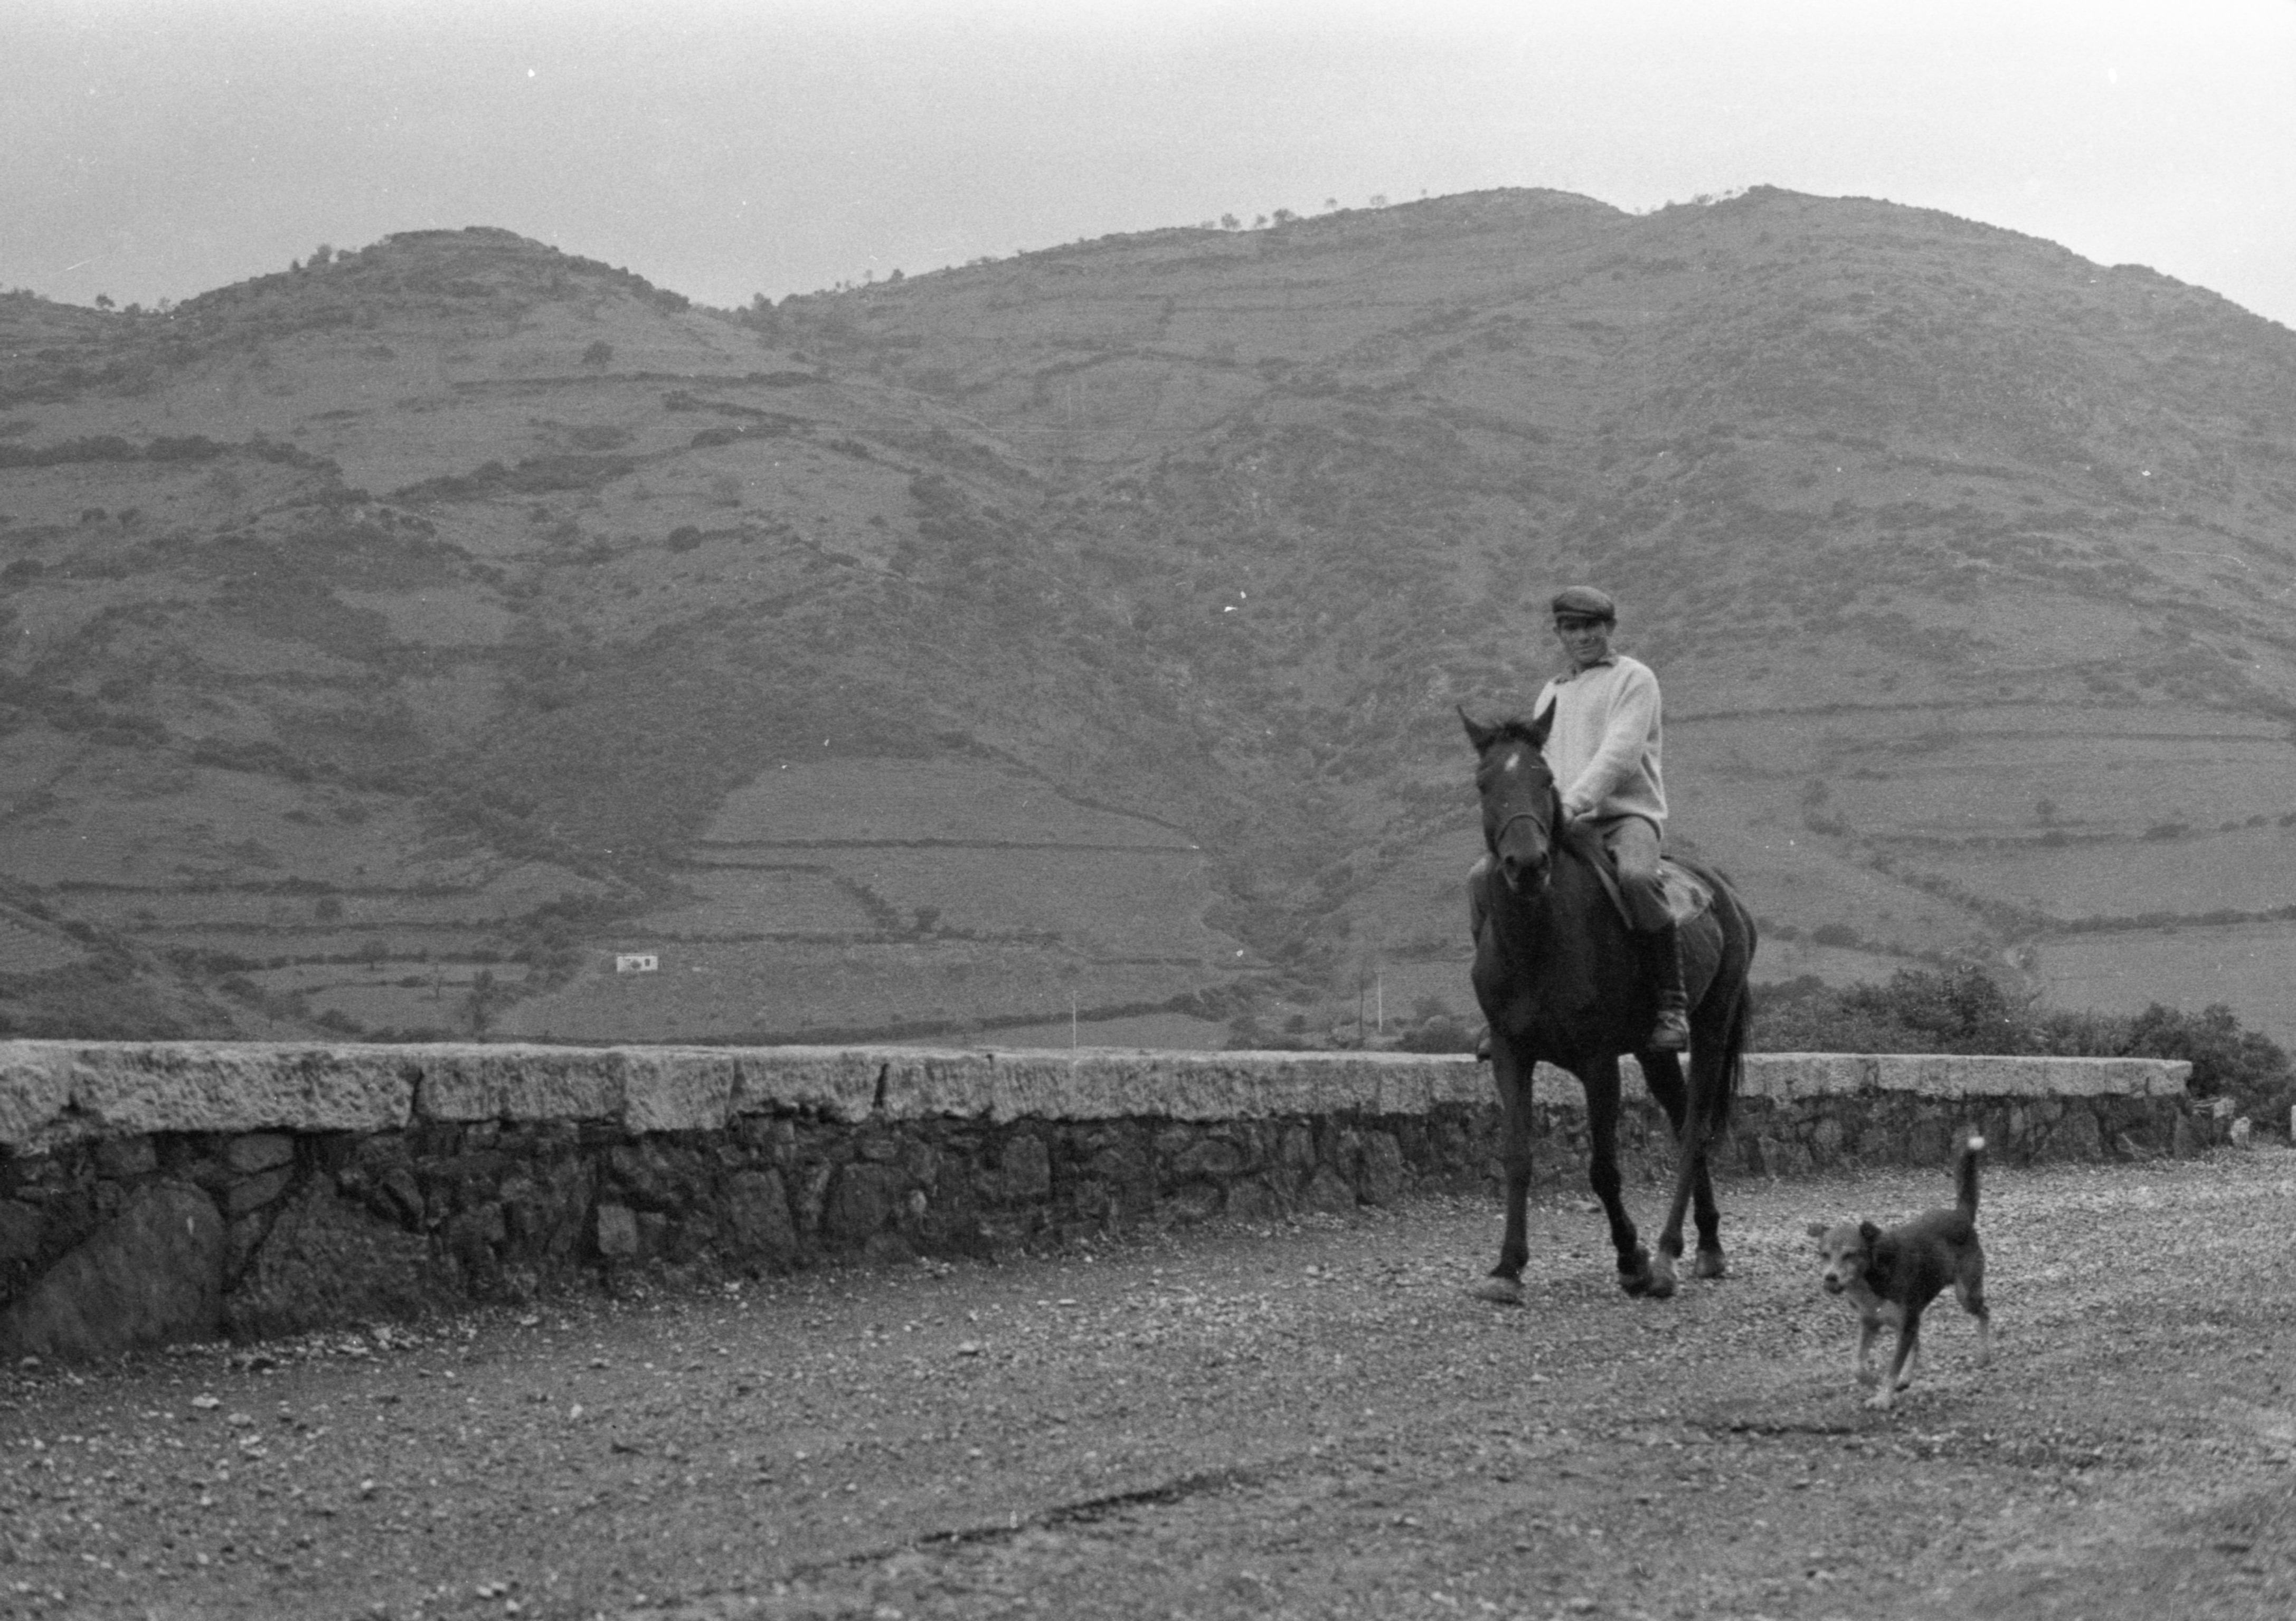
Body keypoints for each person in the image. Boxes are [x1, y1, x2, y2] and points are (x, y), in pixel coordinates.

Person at [1470, 585, 1688, 1050]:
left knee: (1635, 878)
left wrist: (1571, 804)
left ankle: (1672, 1004)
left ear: (1609, 628)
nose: (1583, 636)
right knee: (1480, 879)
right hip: (1565, 822)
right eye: (1572, 627)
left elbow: (1620, 755)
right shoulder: (1553, 690)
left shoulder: (1635, 679)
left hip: (1624, 816)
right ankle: (1501, 1008)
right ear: (1560, 633)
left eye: (1592, 626)